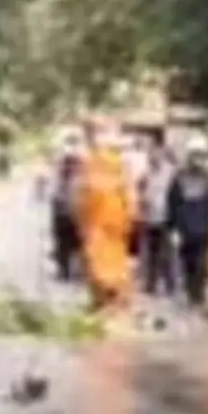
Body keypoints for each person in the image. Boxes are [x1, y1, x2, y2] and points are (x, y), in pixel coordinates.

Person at [77, 117, 137, 314]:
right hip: (103, 226)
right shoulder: (92, 163)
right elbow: (82, 197)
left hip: (107, 225)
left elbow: (129, 194)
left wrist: (129, 218)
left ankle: (109, 304)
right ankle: (108, 304)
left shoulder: (108, 163)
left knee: (104, 268)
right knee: (104, 267)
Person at [166, 136, 208, 308]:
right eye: (195, 154)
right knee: (188, 264)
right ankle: (192, 295)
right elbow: (172, 204)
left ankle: (200, 294)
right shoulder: (179, 178)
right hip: (185, 230)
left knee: (202, 265)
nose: (198, 159)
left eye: (201, 155)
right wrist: (172, 229)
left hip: (206, 230)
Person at [136, 134, 178, 296]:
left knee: (167, 254)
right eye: (150, 155)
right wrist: (142, 203)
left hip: (166, 218)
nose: (152, 158)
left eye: (155, 155)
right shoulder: (146, 174)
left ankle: (170, 285)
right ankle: (150, 284)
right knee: (151, 253)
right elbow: (139, 190)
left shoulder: (171, 173)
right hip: (149, 218)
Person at [49, 134, 84, 284]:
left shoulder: (80, 177)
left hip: (76, 214)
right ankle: (63, 271)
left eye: (73, 163)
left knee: (76, 244)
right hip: (62, 213)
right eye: (68, 163)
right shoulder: (59, 176)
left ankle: (73, 271)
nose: (70, 166)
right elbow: (54, 195)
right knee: (63, 243)